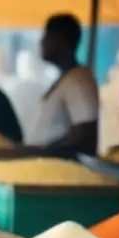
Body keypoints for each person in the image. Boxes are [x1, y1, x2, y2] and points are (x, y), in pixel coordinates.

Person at [30, 13, 99, 153]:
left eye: (47, 36)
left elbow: (85, 135)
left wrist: (43, 152)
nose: (42, 42)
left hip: (62, 171)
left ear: (61, 40)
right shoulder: (67, 79)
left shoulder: (78, 81)